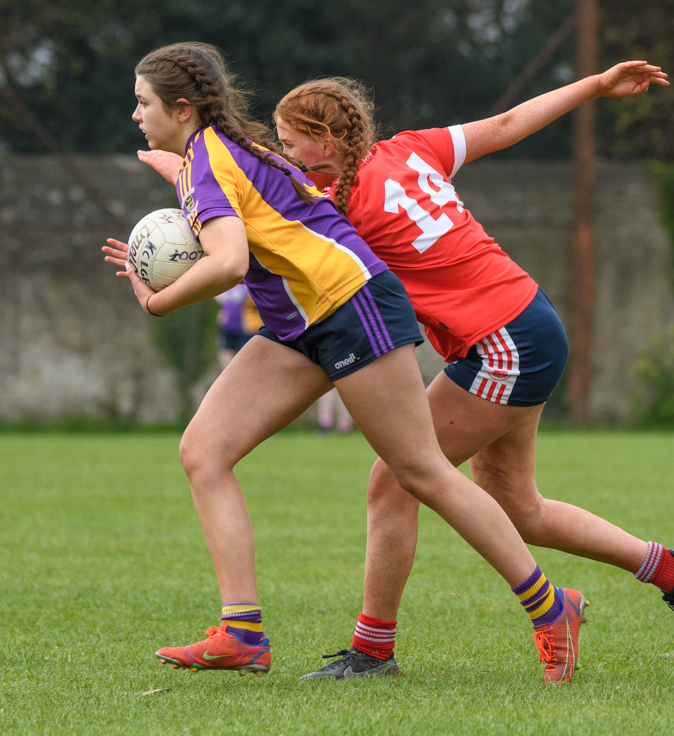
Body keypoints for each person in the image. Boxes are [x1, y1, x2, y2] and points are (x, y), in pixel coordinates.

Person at [104, 41, 586, 684]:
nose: (136, 114)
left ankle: (549, 608)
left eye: (143, 103)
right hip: (300, 321)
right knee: (204, 451)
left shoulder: (210, 162)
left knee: (420, 472)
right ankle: (242, 632)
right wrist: (176, 172)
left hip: (352, 304)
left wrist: (157, 300)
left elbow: (227, 262)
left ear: (183, 108)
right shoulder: (224, 151)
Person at [268, 61, 674, 679]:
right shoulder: (410, 150)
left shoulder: (339, 213)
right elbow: (507, 124)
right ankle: (672, 567)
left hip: (504, 342)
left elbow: (265, 239)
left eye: (289, 140)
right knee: (517, 507)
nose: (280, 150)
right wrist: (593, 84)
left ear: (328, 143)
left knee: (396, 478)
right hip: (524, 319)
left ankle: (374, 652)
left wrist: (191, 186)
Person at [215, 284, 260, 369]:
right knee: (226, 359)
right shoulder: (227, 279)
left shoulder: (251, 280)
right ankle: (229, 380)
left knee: (246, 363)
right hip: (227, 325)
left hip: (247, 328)